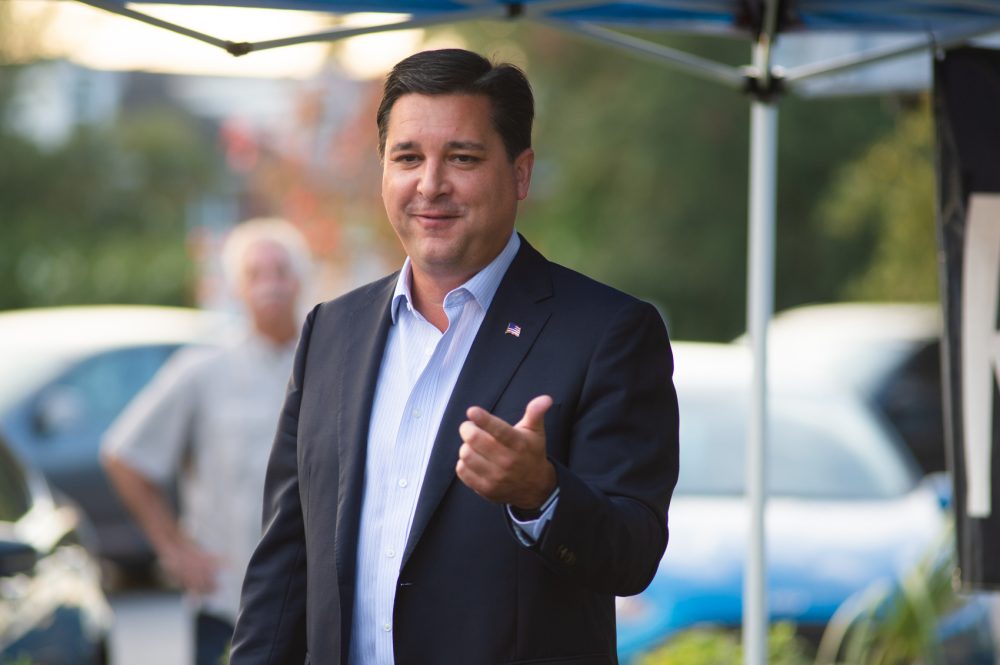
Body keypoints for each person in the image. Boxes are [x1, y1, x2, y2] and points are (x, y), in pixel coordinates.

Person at [230, 49, 679, 665]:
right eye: (407, 157)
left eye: (462, 158)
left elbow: (633, 553)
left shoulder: (610, 333)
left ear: (520, 174)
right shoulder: (331, 331)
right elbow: (284, 564)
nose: (430, 183)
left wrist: (542, 494)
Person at [102, 218, 310, 665]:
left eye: (281, 270)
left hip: (313, 605)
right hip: (225, 605)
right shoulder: (203, 370)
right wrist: (174, 550)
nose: (270, 285)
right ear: (237, 287)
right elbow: (124, 456)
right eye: (256, 273)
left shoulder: (327, 364)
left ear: (298, 280)